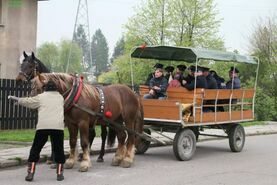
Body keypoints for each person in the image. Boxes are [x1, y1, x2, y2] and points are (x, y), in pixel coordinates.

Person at [8, 80, 65, 181]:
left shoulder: (41, 97)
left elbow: (28, 101)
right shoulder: (61, 98)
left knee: (35, 149)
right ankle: (59, 174)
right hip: (58, 127)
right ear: (56, 88)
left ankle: (30, 173)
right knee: (59, 150)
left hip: (43, 127)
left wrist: (16, 99)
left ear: (45, 88)